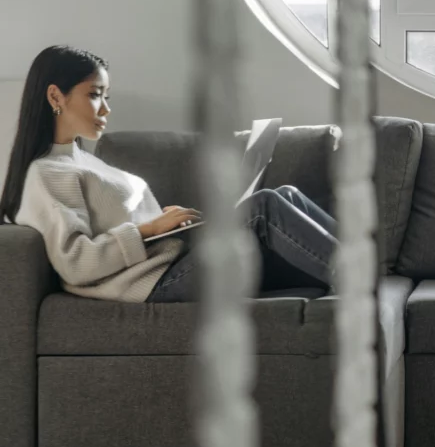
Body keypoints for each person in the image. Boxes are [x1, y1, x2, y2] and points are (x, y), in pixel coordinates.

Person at [0, 45, 341, 303]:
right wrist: (149, 228)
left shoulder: (82, 160)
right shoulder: (47, 174)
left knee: (286, 195)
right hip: (157, 281)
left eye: (106, 96)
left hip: (173, 259)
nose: (106, 109)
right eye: (94, 95)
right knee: (263, 206)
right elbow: (74, 263)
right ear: (55, 96)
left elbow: (121, 224)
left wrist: (166, 222)